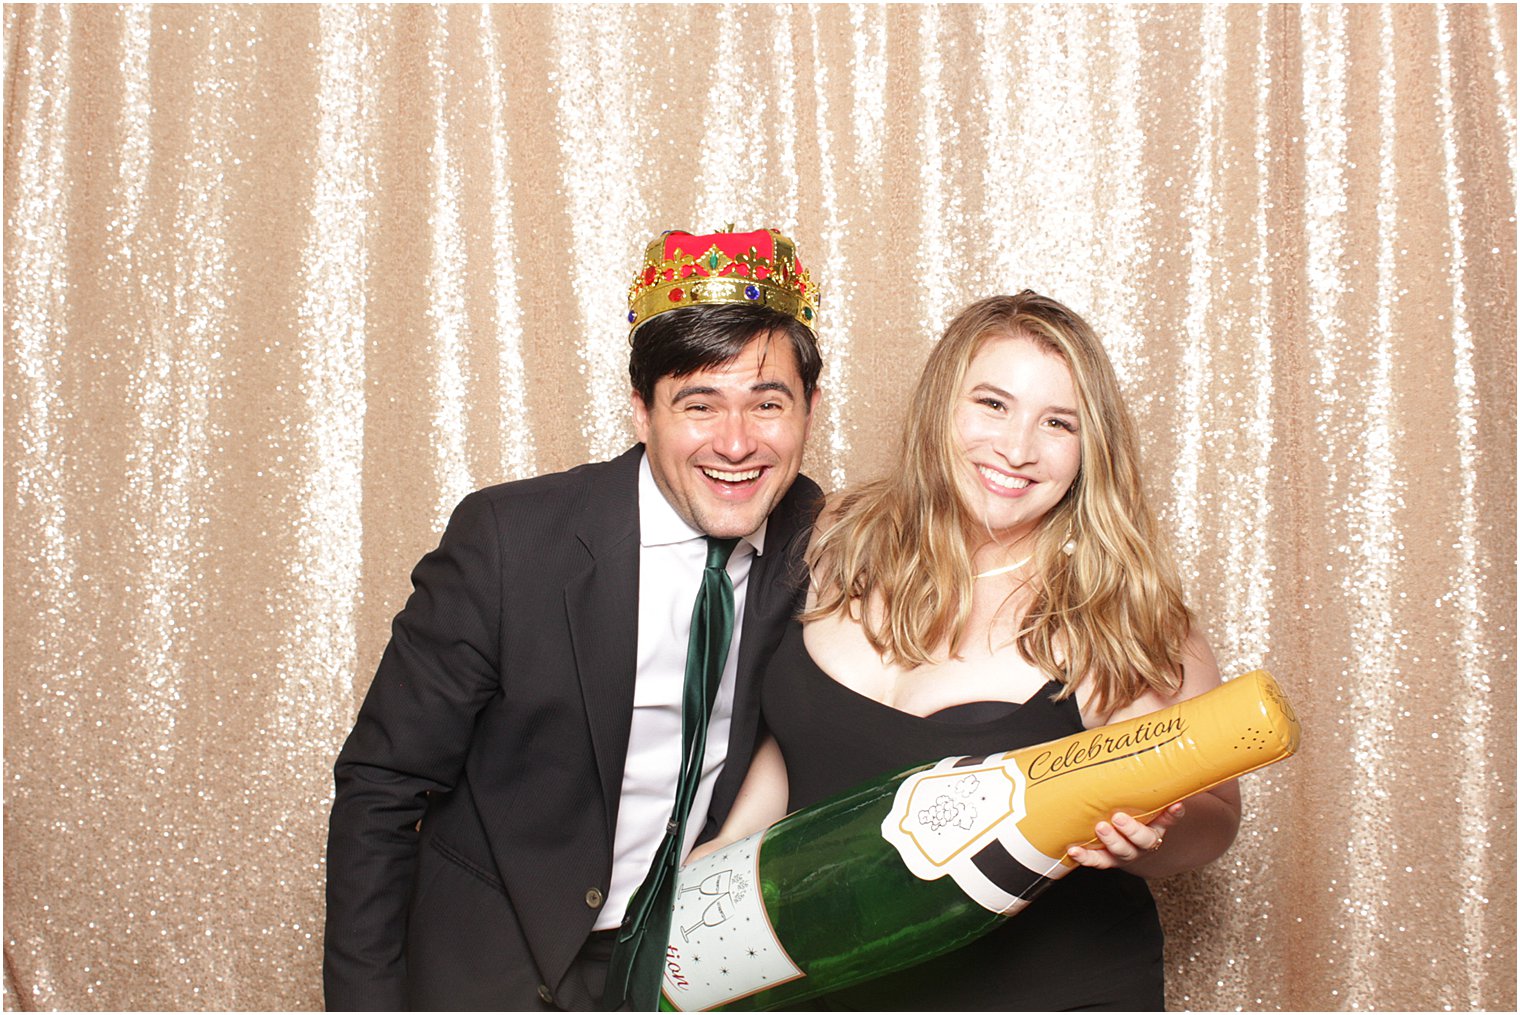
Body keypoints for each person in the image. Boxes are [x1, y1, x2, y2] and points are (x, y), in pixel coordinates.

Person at [323, 228, 824, 1011]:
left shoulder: (831, 549)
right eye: (700, 404)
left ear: (809, 410)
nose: (736, 442)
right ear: (641, 411)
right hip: (493, 964)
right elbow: (382, 787)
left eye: (768, 404)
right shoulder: (510, 540)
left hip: (695, 969)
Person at [700, 291, 1241, 1010]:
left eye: (1058, 423)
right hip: (829, 981)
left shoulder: (1115, 608)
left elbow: (1215, 816)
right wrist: (721, 861)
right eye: (992, 404)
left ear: (1089, 450)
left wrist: (1147, 837)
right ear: (941, 407)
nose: (1017, 448)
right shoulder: (836, 538)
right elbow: (803, 737)